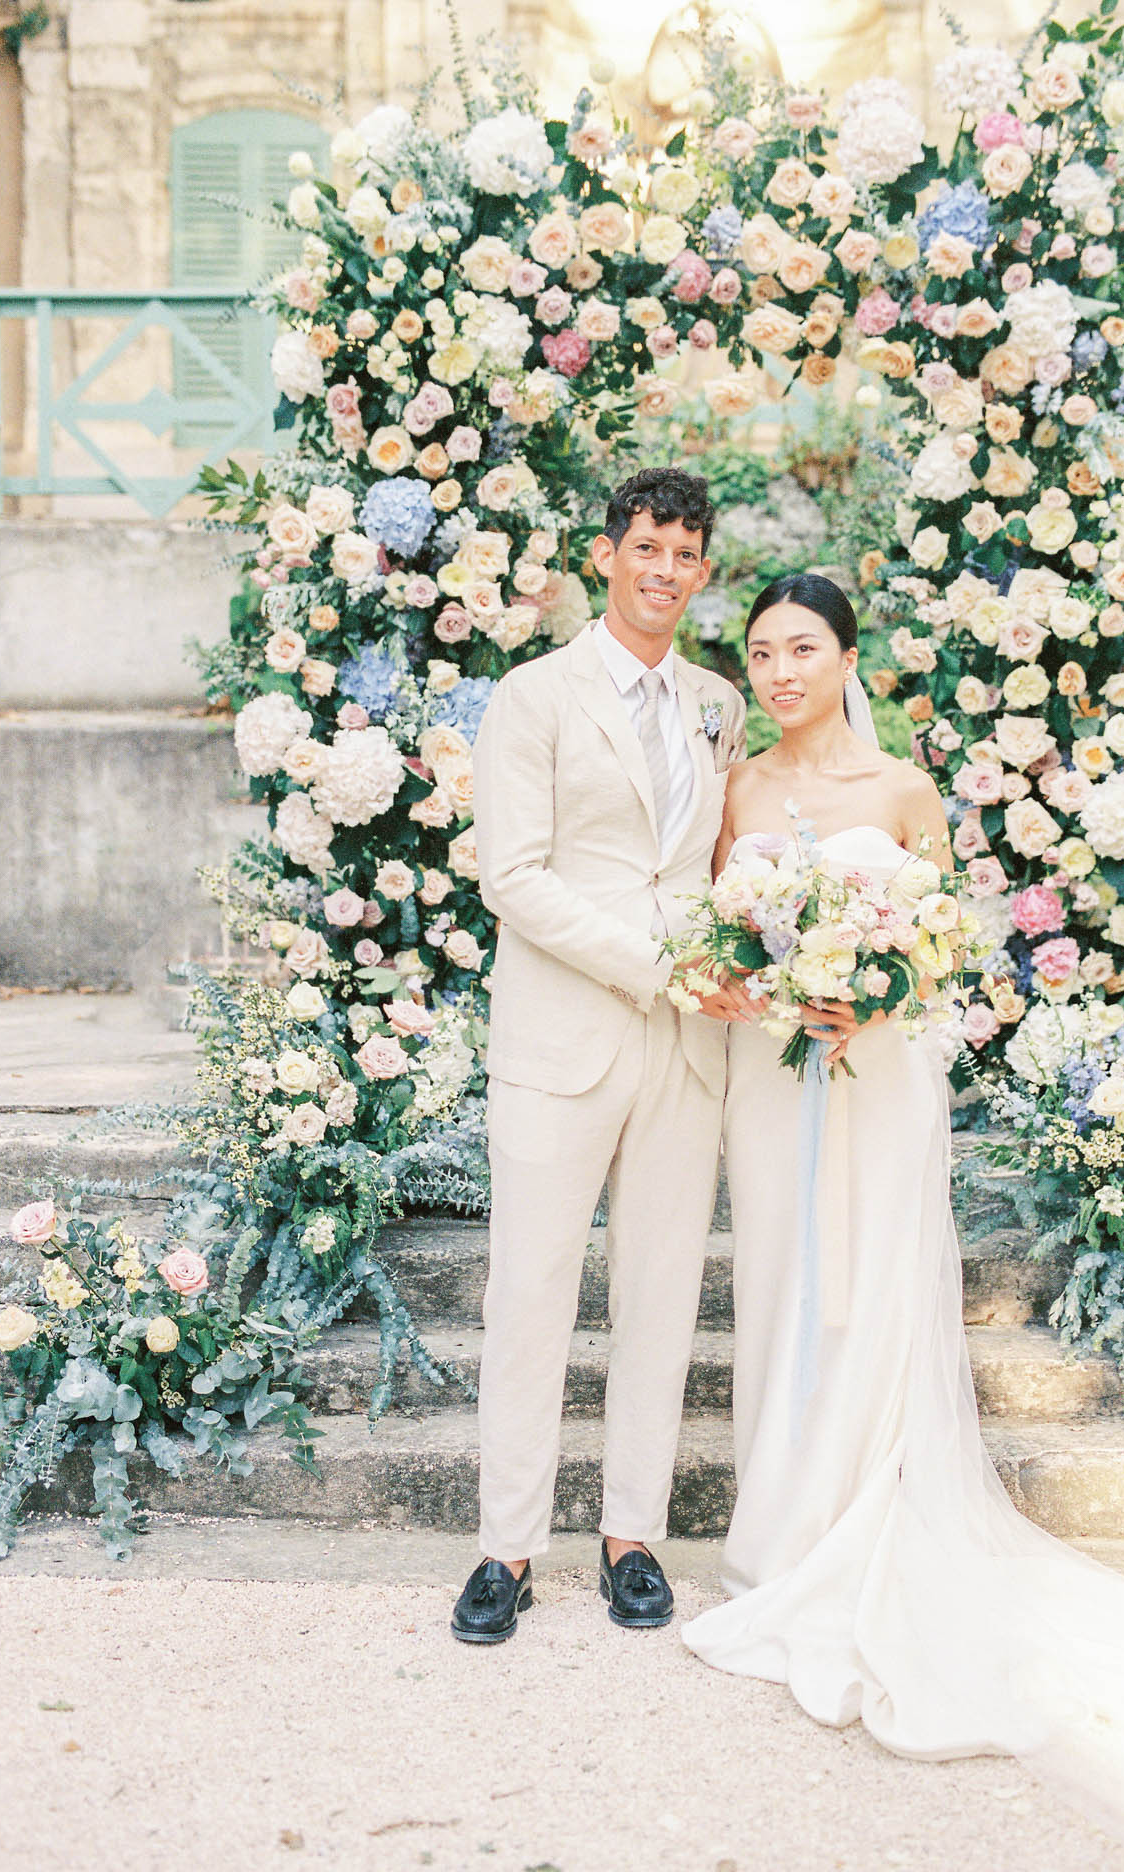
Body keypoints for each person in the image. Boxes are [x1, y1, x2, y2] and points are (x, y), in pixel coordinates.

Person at [682, 574, 1124, 1872]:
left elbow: (944, 955)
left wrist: (866, 996)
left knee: (868, 1283)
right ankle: (782, 1518)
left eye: (801, 649)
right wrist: (773, 987)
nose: (778, 670)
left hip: (877, 1075)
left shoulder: (901, 793)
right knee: (783, 1282)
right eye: (761, 651)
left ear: (846, 657)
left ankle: (852, 1512)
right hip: (773, 1080)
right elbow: (719, 949)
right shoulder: (740, 793)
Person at [451, 466, 750, 1645]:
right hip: (563, 1037)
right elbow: (511, 875)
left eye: (685, 551)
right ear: (605, 555)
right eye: (646, 546)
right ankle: (505, 1547)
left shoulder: (719, 701)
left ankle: (633, 1534)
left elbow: (718, 870)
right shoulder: (534, 696)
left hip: (685, 1050)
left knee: (662, 1297)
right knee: (528, 1294)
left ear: (702, 568)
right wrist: (652, 965)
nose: (664, 568)